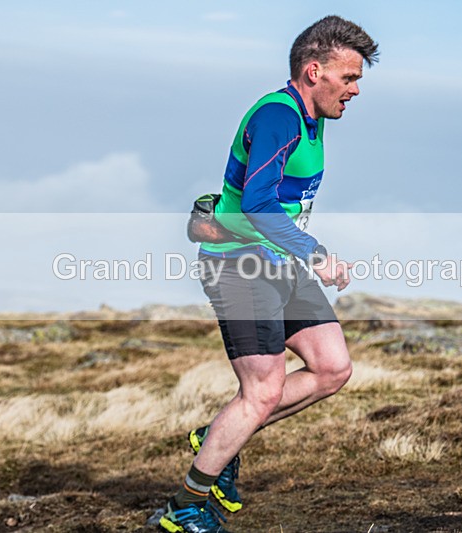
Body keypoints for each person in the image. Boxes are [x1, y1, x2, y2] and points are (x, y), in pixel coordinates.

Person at [157, 15, 378, 533]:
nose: (355, 90)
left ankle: (220, 437)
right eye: (349, 78)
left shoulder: (312, 115)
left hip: (279, 263)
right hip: (240, 267)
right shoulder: (279, 115)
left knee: (332, 368)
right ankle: (184, 505)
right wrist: (317, 253)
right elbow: (256, 202)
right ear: (313, 70)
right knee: (261, 393)